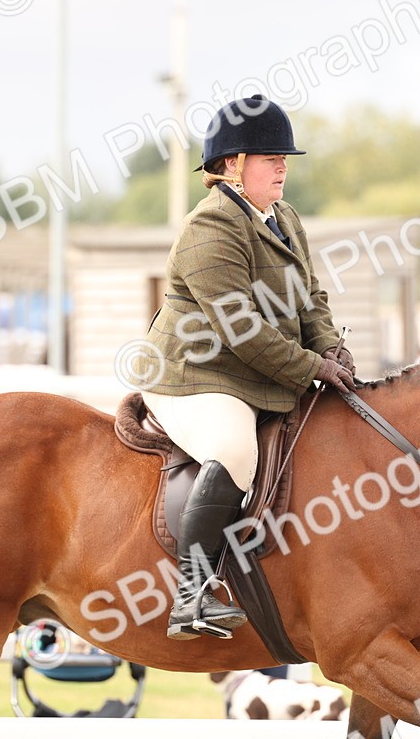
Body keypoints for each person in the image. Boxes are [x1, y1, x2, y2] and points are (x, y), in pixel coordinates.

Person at [137, 94, 357, 640]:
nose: (283, 165)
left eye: (284, 158)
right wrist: (309, 368)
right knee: (234, 450)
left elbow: (310, 298)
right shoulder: (210, 229)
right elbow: (241, 329)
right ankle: (191, 594)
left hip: (252, 372)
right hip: (195, 376)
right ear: (232, 165)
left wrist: (331, 348)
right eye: (269, 157)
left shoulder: (283, 218)